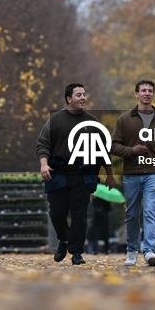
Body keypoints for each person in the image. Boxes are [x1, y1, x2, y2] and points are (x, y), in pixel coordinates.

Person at [37, 83, 116, 265]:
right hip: (58, 173)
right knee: (57, 213)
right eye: (79, 95)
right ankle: (64, 240)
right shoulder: (55, 120)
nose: (83, 98)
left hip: (82, 175)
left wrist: (109, 174)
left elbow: (104, 149)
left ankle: (77, 252)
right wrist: (43, 164)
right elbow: (42, 144)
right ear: (68, 99)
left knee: (79, 213)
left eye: (84, 94)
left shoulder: (92, 122)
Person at [111, 79, 155, 267]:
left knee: (150, 211)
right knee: (132, 213)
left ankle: (149, 250)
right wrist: (131, 151)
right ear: (137, 94)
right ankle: (132, 251)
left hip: (154, 172)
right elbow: (113, 146)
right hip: (131, 173)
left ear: (153, 94)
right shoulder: (125, 119)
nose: (147, 93)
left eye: (150, 90)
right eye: (143, 90)